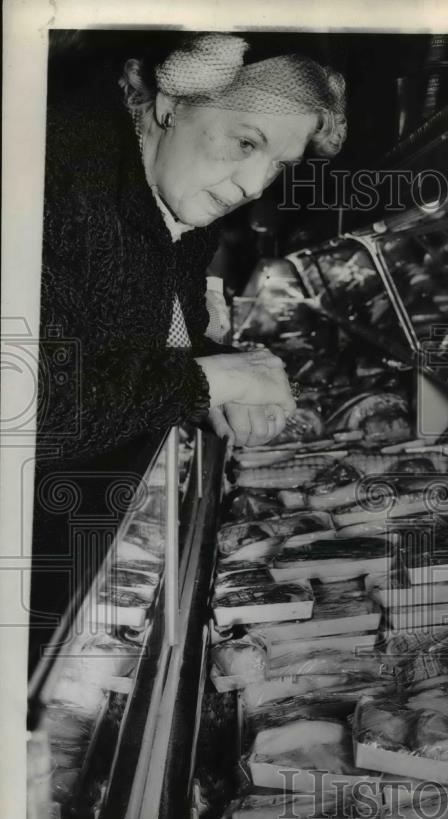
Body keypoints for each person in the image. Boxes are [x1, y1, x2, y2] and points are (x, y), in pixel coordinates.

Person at [29, 33, 347, 668]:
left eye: (278, 164)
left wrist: (211, 375)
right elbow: (31, 407)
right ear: (172, 100)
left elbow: (143, 337)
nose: (255, 185)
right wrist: (210, 380)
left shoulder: (172, 202)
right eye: (246, 142)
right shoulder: (52, 172)